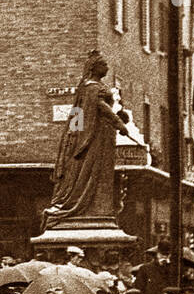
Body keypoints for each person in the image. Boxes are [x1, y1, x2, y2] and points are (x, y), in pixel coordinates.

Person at [42, 52, 131, 229]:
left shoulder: (90, 87)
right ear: (94, 67)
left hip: (102, 136)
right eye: (103, 64)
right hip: (95, 138)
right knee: (93, 171)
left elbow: (79, 115)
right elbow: (98, 107)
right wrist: (118, 123)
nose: (107, 67)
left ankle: (98, 210)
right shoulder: (91, 87)